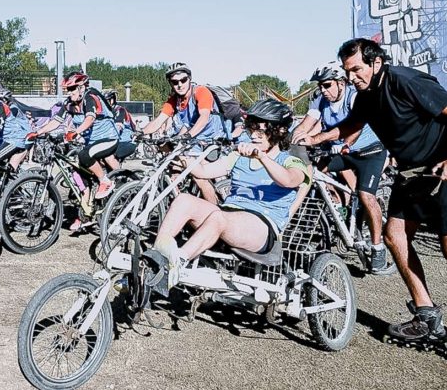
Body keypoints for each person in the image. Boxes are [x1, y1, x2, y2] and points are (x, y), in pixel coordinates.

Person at [304, 38, 447, 372]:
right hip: (413, 174)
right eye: (347, 71)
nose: (351, 77)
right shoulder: (366, 95)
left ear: (375, 62)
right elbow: (350, 127)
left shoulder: (405, 81)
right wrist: (312, 139)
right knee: (394, 236)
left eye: (356, 69)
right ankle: (427, 317)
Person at [148, 99, 310, 291]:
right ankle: (158, 254)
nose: (254, 136)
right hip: (230, 216)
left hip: (262, 226)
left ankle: (177, 263)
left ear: (279, 131)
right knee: (184, 200)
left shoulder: (290, 161)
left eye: (261, 130)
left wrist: (262, 157)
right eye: (251, 129)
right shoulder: (239, 157)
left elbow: (289, 181)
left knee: (219, 217)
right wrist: (182, 158)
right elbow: (203, 171)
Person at [291, 61, 390, 274]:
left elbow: (356, 126)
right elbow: (306, 124)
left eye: (327, 85)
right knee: (311, 173)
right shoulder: (320, 101)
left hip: (369, 153)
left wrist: (346, 144)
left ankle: (378, 247)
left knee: (365, 195)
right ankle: (336, 207)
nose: (323, 90)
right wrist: (292, 141)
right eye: (320, 86)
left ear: (341, 83)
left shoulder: (354, 96)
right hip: (340, 151)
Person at [141, 62, 227, 202]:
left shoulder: (201, 91)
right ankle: (180, 200)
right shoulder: (175, 100)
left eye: (183, 80)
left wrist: (188, 135)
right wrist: (140, 133)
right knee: (169, 158)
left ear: (190, 79)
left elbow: (204, 117)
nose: (179, 85)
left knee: (199, 176)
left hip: (211, 140)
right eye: (175, 82)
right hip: (194, 139)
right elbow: (159, 121)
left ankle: (215, 212)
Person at [31, 72, 121, 205]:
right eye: (67, 89)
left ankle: (104, 181)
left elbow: (90, 119)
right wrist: (38, 132)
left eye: (72, 89)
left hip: (107, 139)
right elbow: (56, 121)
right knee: (77, 169)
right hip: (90, 142)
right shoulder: (69, 103)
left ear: (81, 87)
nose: (69, 92)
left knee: (84, 155)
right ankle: (86, 212)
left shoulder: (90, 97)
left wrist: (76, 132)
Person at [104, 88, 137, 161]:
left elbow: (118, 127)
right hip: (116, 140)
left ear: (113, 99)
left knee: (109, 158)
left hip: (124, 141)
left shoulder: (120, 110)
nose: (105, 103)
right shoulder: (107, 111)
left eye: (107, 100)